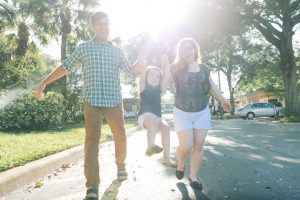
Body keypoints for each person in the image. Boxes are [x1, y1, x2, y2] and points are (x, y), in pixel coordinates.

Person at [35, 11, 145, 200]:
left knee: (120, 136)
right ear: (93, 26)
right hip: (92, 101)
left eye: (107, 24)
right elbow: (65, 67)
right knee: (92, 141)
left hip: (113, 101)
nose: (104, 27)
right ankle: (92, 187)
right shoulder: (84, 48)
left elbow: (133, 71)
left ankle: (120, 165)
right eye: (100, 24)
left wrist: (143, 54)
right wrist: (45, 81)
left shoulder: (117, 51)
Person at [161, 37, 232, 190]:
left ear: (194, 50)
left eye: (189, 48)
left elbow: (213, 87)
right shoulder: (176, 68)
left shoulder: (204, 69)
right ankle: (180, 161)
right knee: (186, 144)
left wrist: (222, 100)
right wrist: (165, 69)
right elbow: (165, 84)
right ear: (180, 52)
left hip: (202, 111)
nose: (187, 51)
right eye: (183, 49)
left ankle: (193, 176)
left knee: (198, 145)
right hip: (181, 111)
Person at [137, 60, 173, 166]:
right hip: (145, 116)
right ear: (146, 77)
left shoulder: (159, 89)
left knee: (166, 129)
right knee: (152, 122)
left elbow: (166, 76)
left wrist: (165, 63)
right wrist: (143, 56)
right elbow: (142, 73)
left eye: (157, 77)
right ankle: (150, 146)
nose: (155, 78)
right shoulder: (143, 87)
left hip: (157, 117)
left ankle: (166, 157)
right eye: (152, 75)